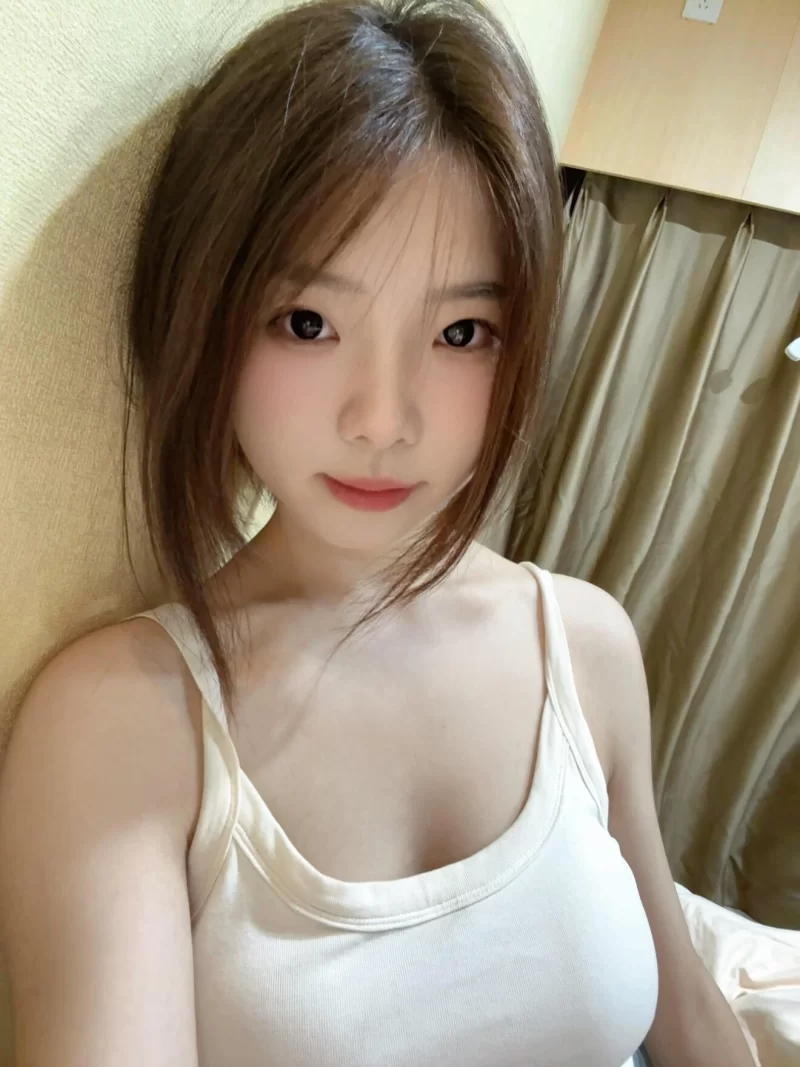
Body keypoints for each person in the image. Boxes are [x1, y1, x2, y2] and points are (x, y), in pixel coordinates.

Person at [0, 2, 757, 1065]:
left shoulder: (585, 644)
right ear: (203, 316)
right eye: (308, 322)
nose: (383, 419)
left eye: (460, 331)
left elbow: (688, 1018)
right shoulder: (125, 718)